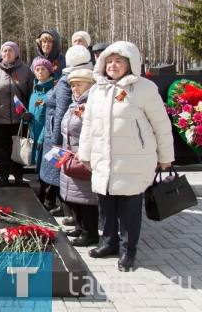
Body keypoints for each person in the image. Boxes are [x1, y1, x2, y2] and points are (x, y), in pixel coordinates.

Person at [79, 41, 174, 271]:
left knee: (130, 208)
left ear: (130, 63)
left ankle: (129, 251)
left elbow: (161, 124)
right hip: (104, 159)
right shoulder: (97, 90)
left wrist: (166, 156)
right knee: (106, 204)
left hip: (133, 159)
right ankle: (110, 243)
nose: (113, 65)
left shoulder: (144, 88)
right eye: (109, 61)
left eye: (118, 61)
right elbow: (89, 123)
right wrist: (85, 153)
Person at [39, 45, 92, 215]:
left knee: (61, 172)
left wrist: (56, 142)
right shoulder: (83, 76)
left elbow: (62, 110)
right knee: (64, 173)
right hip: (63, 131)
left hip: (59, 134)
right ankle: (67, 210)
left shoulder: (66, 80)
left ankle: (65, 209)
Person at [59, 69, 98, 247]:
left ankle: (90, 233)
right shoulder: (75, 103)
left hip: (83, 159)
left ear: (90, 85)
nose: (74, 88)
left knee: (86, 198)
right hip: (70, 157)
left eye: (79, 84)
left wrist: (85, 154)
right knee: (74, 196)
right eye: (73, 84)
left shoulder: (92, 104)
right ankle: (79, 226)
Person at [0, 41, 35, 185]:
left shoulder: (26, 71)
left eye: (10, 51)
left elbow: (32, 93)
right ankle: (4, 175)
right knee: (1, 148)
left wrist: (29, 113)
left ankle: (18, 175)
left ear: (16, 53)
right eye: (4, 51)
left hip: (19, 118)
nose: (7, 54)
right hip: (0, 117)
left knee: (18, 147)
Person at [27, 59, 56, 184]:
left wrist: (42, 137)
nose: (40, 72)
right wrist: (25, 118)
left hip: (45, 135)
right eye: (37, 69)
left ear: (49, 71)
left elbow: (51, 117)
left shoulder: (53, 90)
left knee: (46, 163)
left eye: (43, 69)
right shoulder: (34, 90)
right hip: (34, 131)